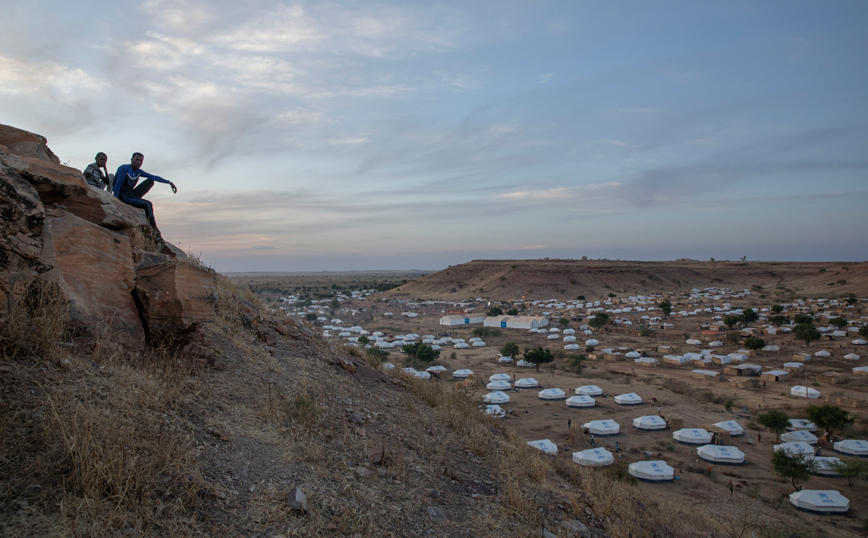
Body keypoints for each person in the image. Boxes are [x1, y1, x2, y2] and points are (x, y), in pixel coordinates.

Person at [113, 152, 176, 242]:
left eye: (141, 161)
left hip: (131, 193)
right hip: (123, 196)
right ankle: (156, 232)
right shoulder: (124, 169)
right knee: (148, 204)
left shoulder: (138, 172)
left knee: (150, 180)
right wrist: (115, 200)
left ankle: (136, 200)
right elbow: (117, 185)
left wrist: (169, 182)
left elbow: (153, 177)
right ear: (132, 160)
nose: (139, 162)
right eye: (136, 160)